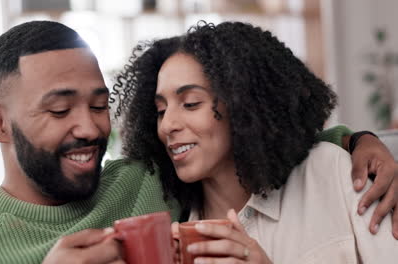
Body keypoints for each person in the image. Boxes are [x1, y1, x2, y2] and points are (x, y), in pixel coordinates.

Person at [0, 20, 395, 264]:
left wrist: (360, 142)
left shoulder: (146, 181)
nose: (91, 129)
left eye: (99, 105)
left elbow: (257, 135)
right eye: (59, 110)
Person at [113, 21, 398, 263]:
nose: (168, 125)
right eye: (161, 110)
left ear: (242, 104)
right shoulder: (181, 238)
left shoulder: (335, 173)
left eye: (190, 103)